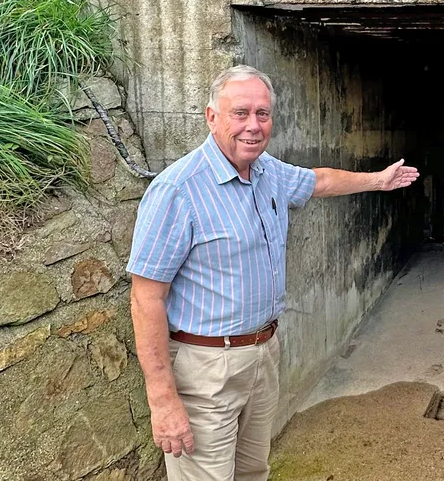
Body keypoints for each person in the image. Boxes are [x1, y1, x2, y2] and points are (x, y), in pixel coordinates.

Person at [127, 65, 418, 481]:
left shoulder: (268, 172)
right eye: (240, 113)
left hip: (263, 354)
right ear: (212, 117)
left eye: (262, 114)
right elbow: (145, 297)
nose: (253, 126)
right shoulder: (178, 190)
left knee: (253, 471)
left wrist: (380, 180)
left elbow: (319, 181)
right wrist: (162, 399)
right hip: (205, 369)